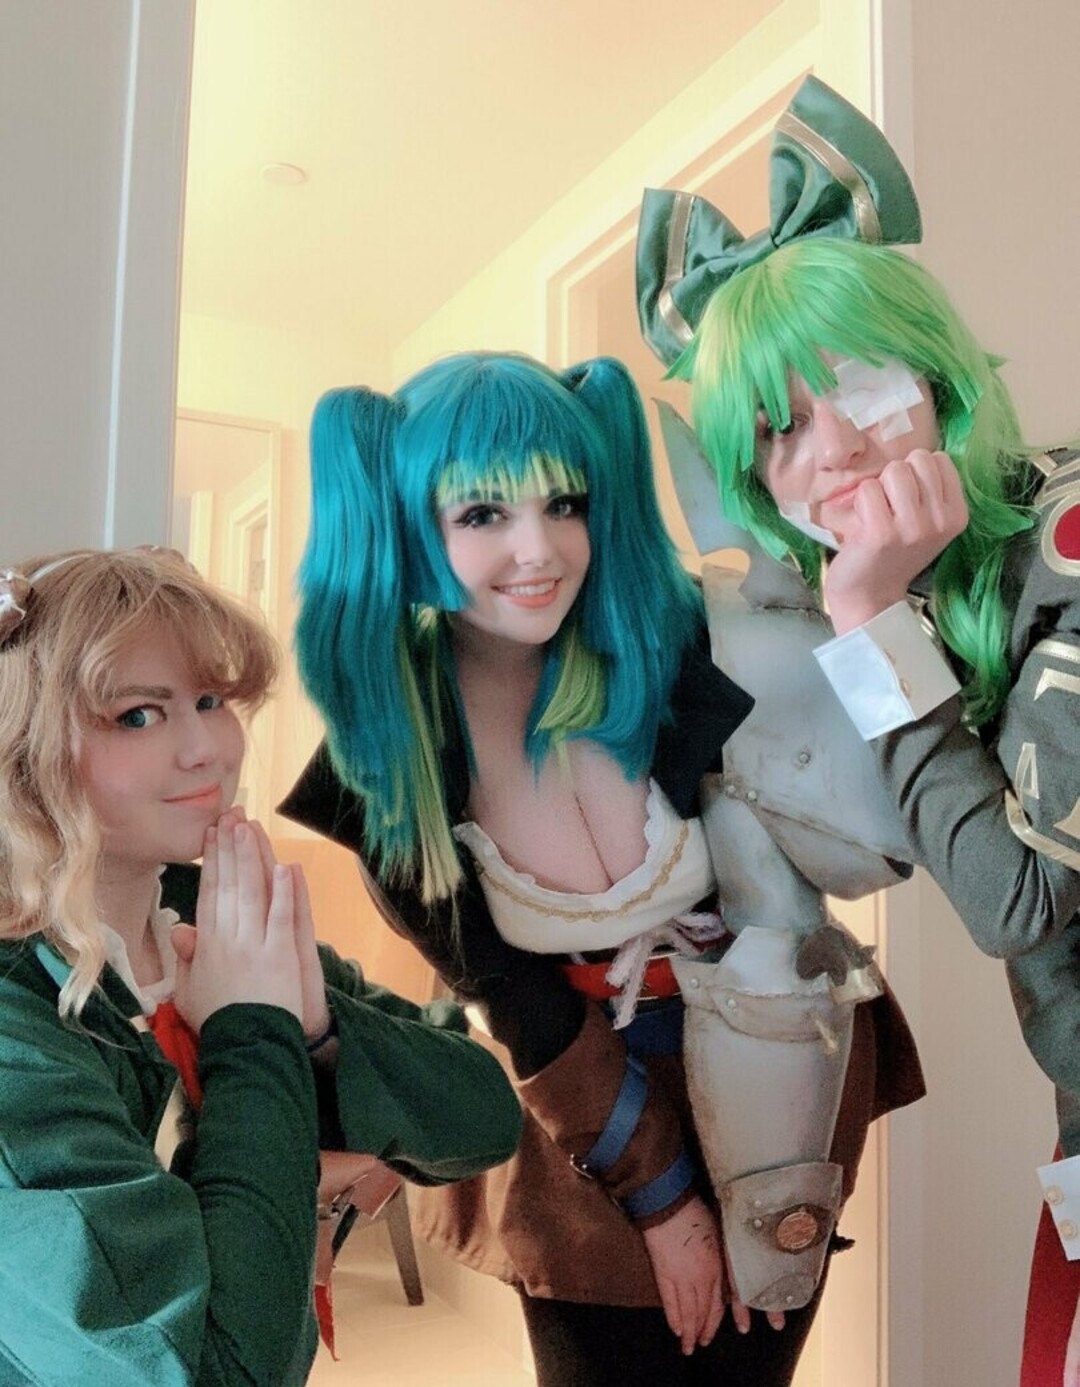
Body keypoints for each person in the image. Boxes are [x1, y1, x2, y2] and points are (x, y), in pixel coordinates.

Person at [279, 350, 922, 1386]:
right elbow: (512, 993)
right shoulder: (389, 763)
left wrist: (874, 607)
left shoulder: (683, 645)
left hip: (779, 1076)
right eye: (482, 513)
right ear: (405, 524)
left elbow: (881, 796)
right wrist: (663, 1199)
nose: (538, 549)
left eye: (564, 503)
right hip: (579, 1115)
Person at [637, 74, 1080, 1387]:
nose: (827, 451)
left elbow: (1016, 900)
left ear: (937, 376)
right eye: (776, 428)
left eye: (855, 384)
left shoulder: (1062, 543)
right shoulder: (932, 585)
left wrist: (871, 620)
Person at [0, 546, 522, 1387]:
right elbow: (216, 1369)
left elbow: (486, 1117)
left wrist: (315, 1029)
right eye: (139, 715)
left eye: (211, 700)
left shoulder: (215, 919)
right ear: (23, 742)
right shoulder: (16, 1025)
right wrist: (253, 1034)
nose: (206, 748)